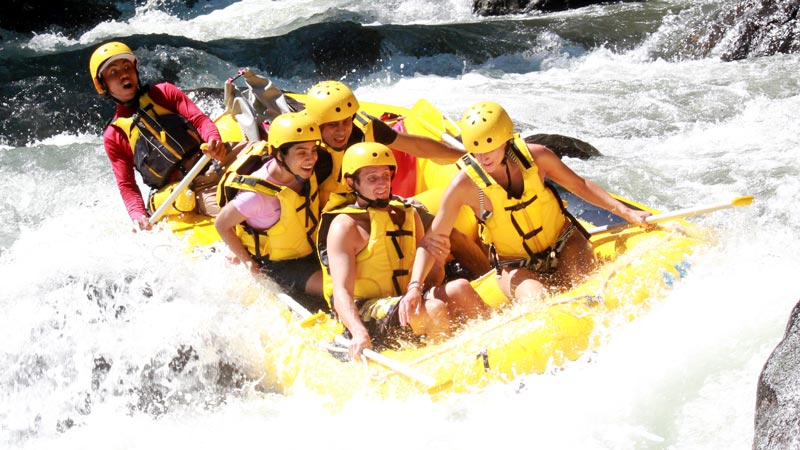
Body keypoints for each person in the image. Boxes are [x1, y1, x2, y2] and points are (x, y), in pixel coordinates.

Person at [404, 101, 653, 304]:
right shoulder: (464, 185)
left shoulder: (537, 157)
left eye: (489, 149)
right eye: (476, 151)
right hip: (515, 265)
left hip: (564, 243)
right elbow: (433, 239)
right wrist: (415, 287)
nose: (483, 158)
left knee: (586, 290)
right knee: (537, 300)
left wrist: (626, 212)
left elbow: (580, 185)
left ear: (505, 140)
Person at [305, 80, 492, 279]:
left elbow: (417, 147)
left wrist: (464, 155)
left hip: (375, 202)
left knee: (449, 234)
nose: (342, 131)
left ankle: (492, 281)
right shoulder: (308, 153)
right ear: (318, 124)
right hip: (336, 221)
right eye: (333, 125)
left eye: (346, 122)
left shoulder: (365, 128)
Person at [317, 142, 487, 360]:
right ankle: (442, 365)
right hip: (366, 312)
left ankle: (491, 350)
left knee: (461, 288)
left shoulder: (408, 214)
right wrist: (358, 331)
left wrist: (438, 263)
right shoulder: (345, 226)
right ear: (352, 182)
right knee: (433, 310)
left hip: (404, 300)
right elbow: (341, 292)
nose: (382, 185)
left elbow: (432, 281)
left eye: (385, 177)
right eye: (372, 178)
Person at [89, 41, 232, 231]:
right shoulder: (114, 135)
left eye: (127, 67)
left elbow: (199, 120)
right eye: (113, 72)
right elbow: (127, 185)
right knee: (235, 206)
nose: (123, 74)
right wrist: (138, 214)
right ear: (103, 85)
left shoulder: (164, 92)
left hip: (209, 160)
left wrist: (214, 139)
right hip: (186, 187)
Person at [214, 112, 324, 305]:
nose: (311, 159)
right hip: (279, 265)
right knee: (334, 286)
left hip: (310, 247)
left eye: (313, 150)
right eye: (301, 152)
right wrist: (247, 261)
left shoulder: (304, 170)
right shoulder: (255, 196)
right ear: (280, 154)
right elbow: (221, 224)